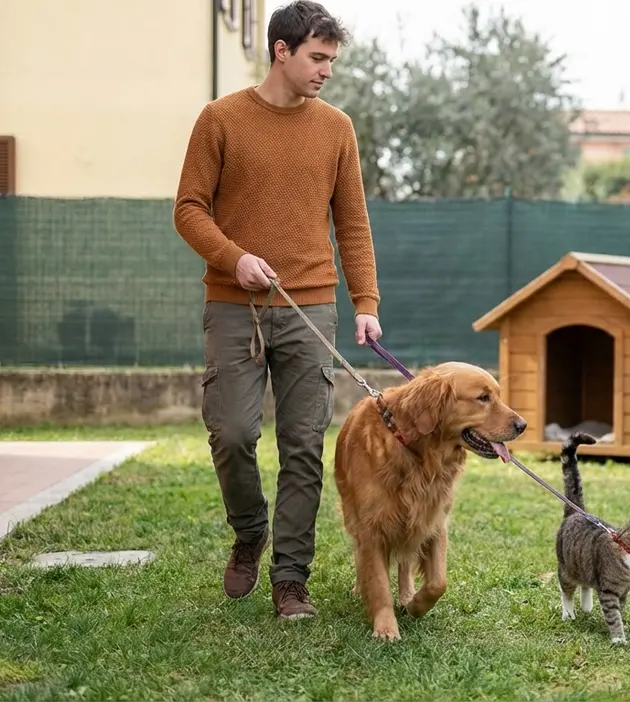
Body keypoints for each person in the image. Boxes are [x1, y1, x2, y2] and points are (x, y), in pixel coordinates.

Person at [172, 0, 381, 620]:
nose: (326, 71)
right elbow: (188, 208)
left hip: (311, 306)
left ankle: (291, 580)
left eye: (332, 61)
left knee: (302, 448)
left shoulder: (336, 128)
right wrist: (233, 257)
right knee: (232, 433)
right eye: (318, 58)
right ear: (281, 51)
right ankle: (249, 531)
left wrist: (365, 302)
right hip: (234, 305)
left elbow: (353, 224)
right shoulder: (220, 119)